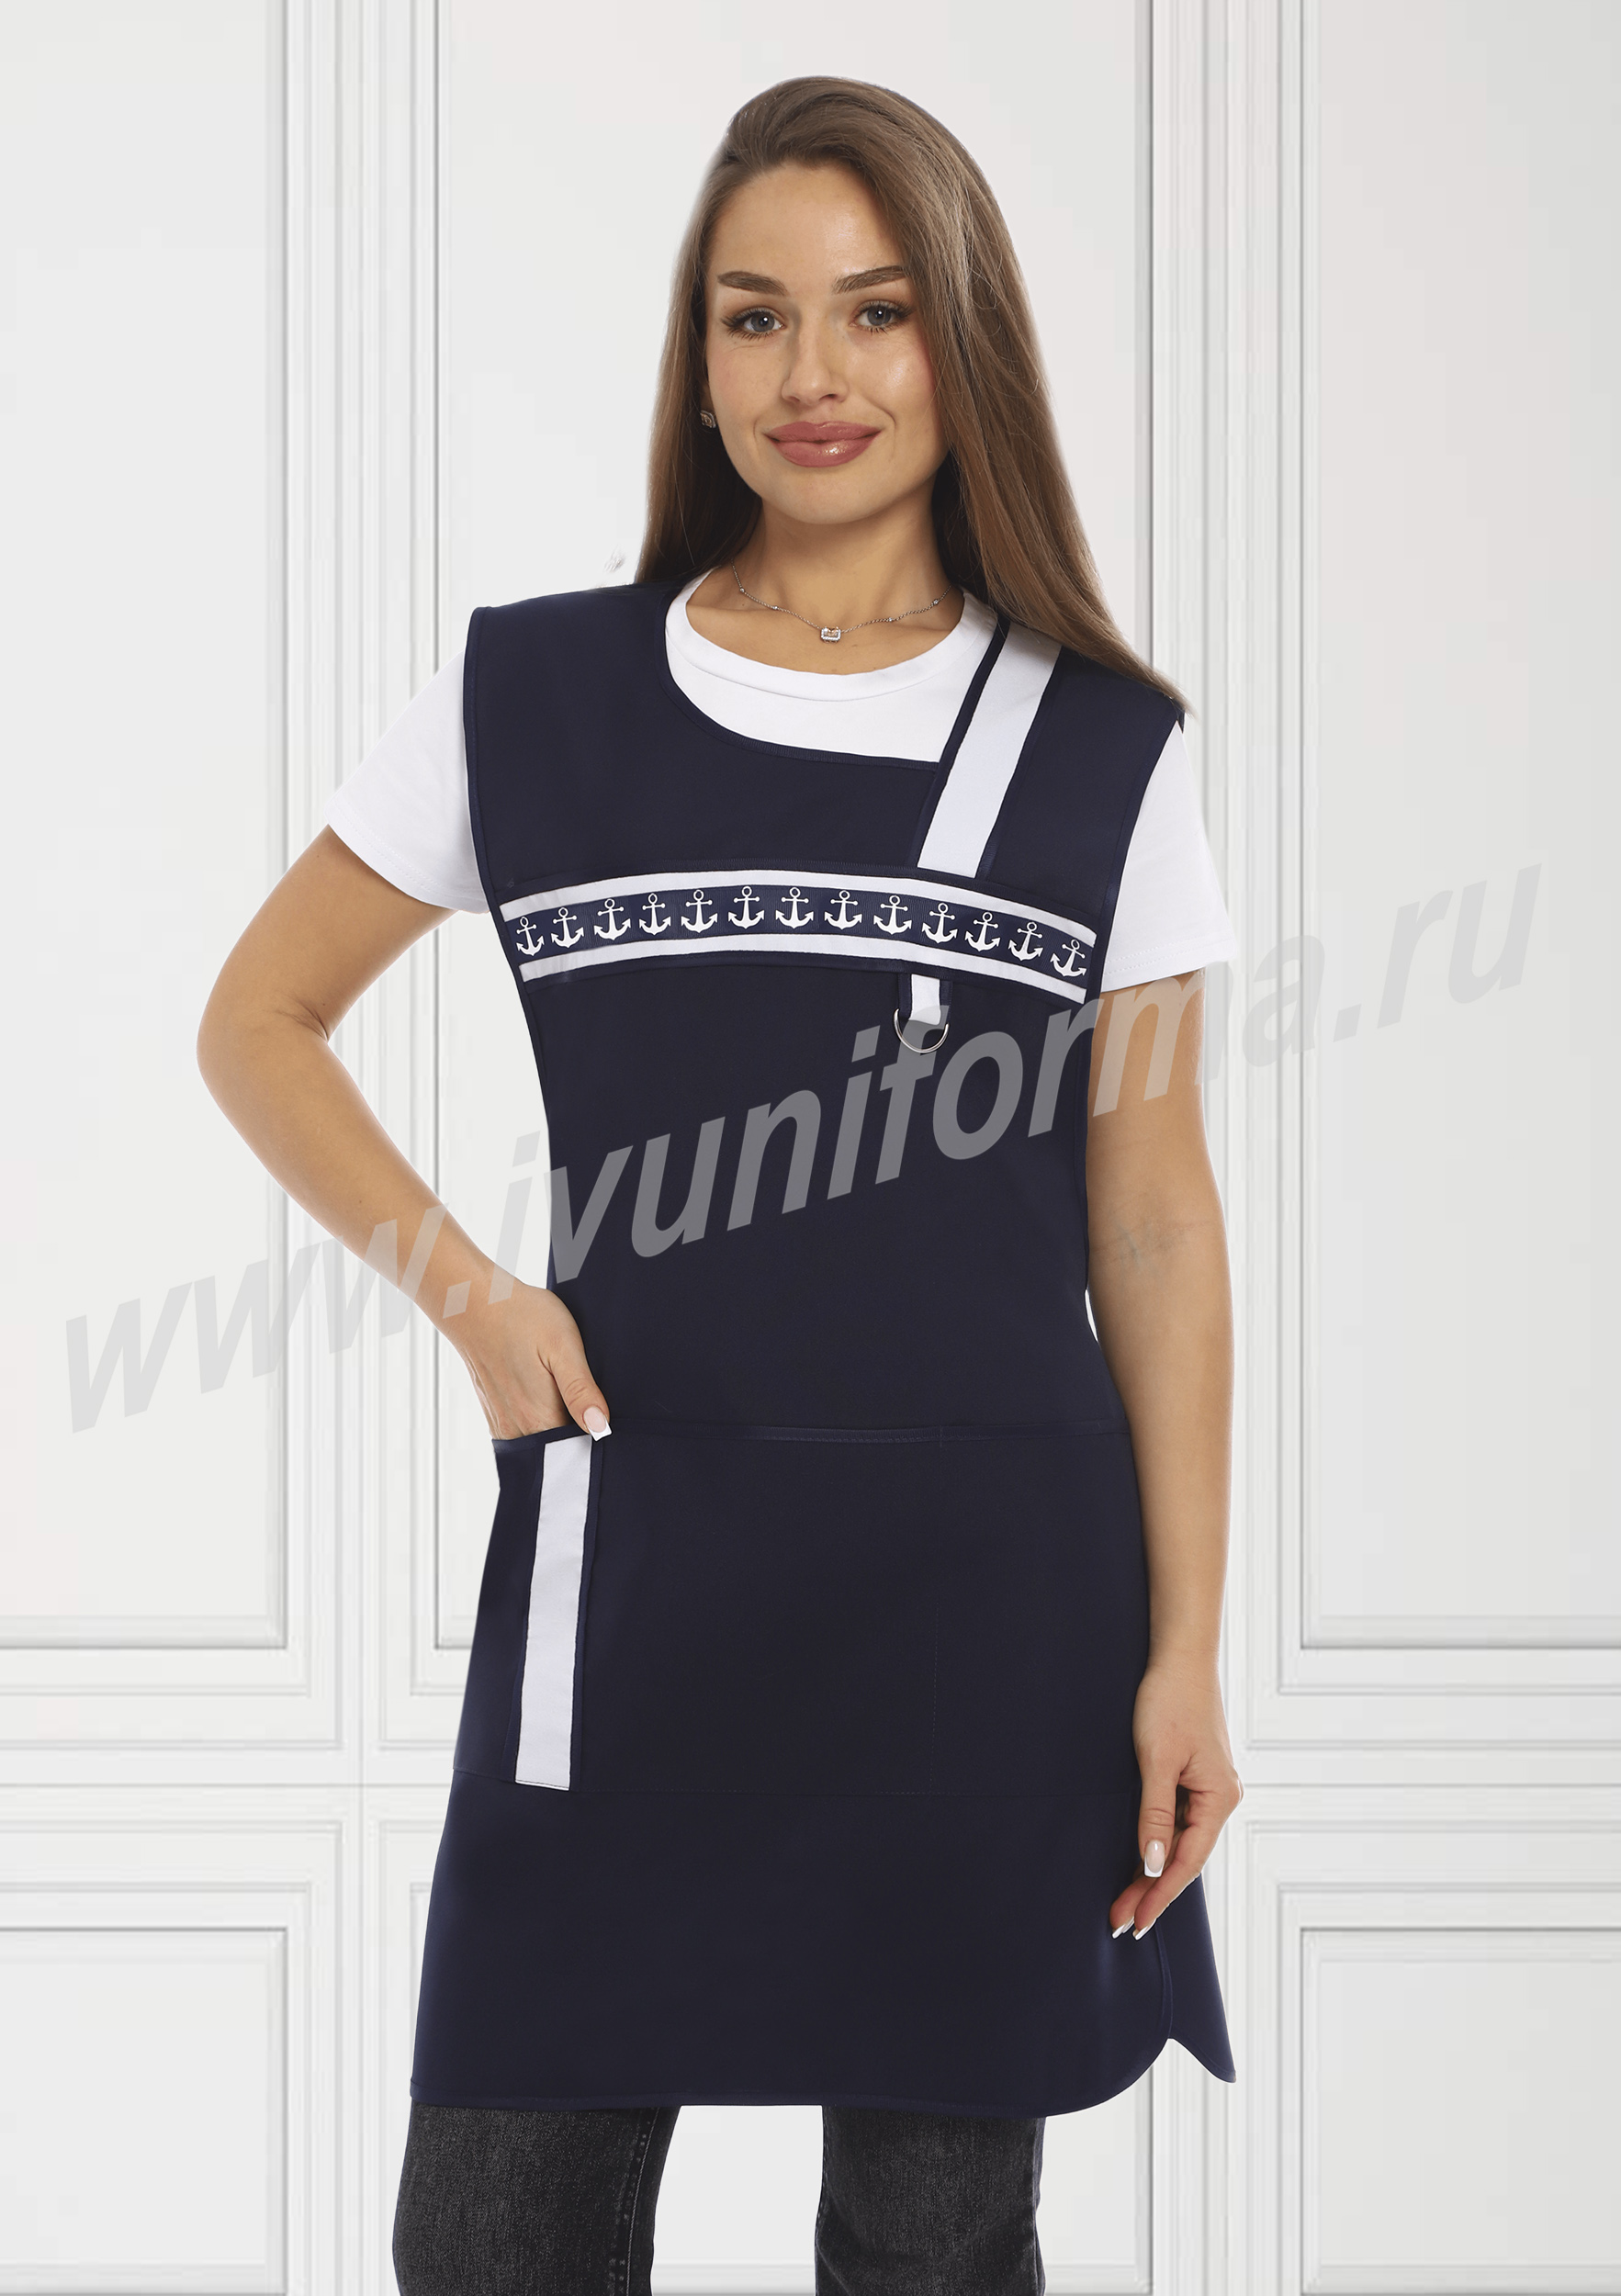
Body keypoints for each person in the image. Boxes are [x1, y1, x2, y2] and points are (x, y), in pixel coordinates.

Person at [198, 73, 1243, 2296]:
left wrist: (1183, 1648)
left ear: (961, 343)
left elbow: (1153, 1219)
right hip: (632, 1581)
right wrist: (470, 1291)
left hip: (987, 1613)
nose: (812, 373)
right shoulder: (532, 693)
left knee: (932, 2247)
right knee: (494, 2240)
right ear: (696, 359)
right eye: (753, 316)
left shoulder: (1100, 750)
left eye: (875, 311)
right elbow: (258, 1020)